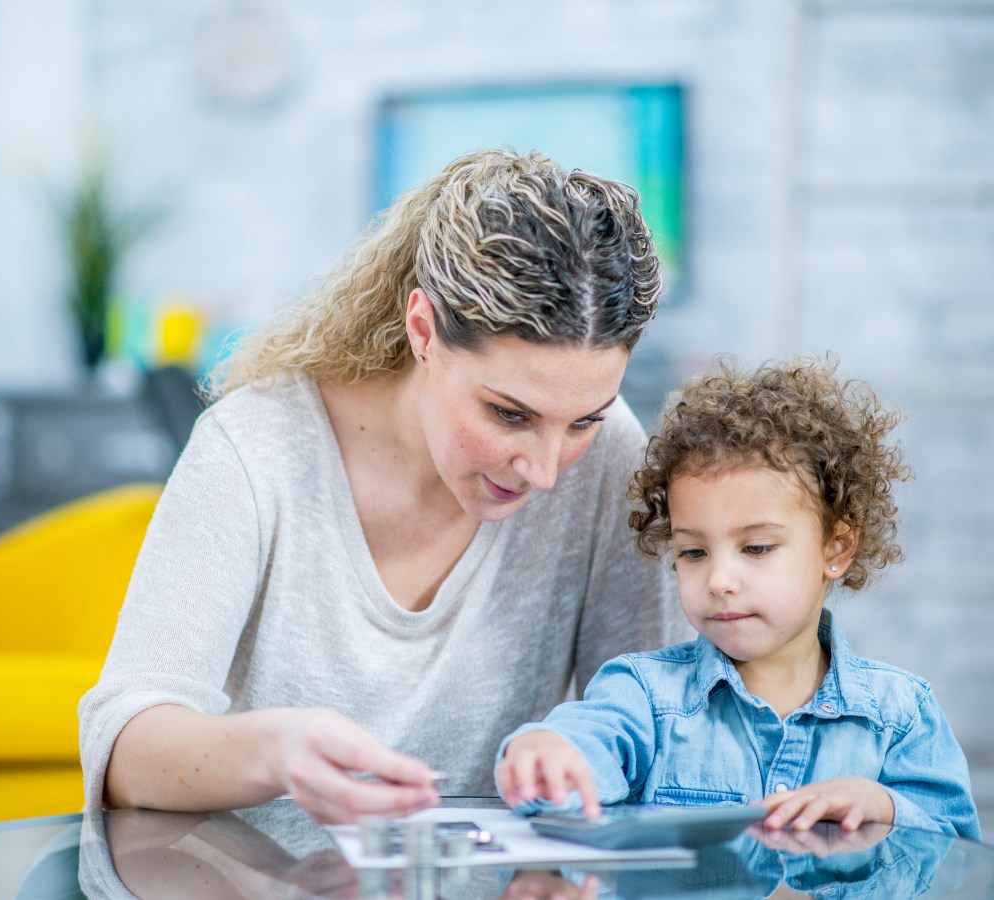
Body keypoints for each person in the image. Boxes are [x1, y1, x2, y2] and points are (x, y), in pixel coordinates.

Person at [78, 148, 686, 825]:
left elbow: (651, 726)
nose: (544, 471)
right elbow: (125, 749)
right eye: (508, 414)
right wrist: (275, 751)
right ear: (423, 331)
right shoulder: (255, 449)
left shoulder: (610, 459)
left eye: (583, 421)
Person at [496, 356, 981, 839]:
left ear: (837, 547)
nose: (719, 579)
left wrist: (884, 805)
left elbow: (958, 851)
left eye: (756, 548)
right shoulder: (644, 695)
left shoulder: (901, 715)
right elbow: (591, 741)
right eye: (694, 551)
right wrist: (548, 752)